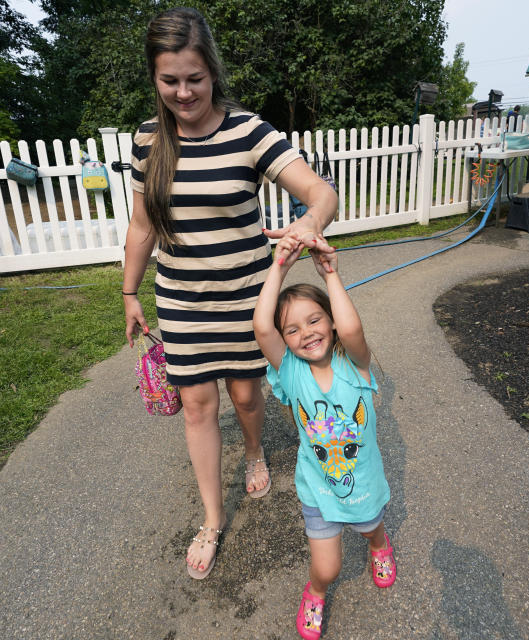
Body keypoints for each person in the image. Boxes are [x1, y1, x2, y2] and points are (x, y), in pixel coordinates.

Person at [122, 6, 338, 581]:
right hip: (183, 304)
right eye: (170, 80)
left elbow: (320, 190)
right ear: (155, 78)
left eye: (194, 78)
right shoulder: (148, 139)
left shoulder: (248, 131)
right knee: (198, 406)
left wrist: (309, 221)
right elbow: (142, 226)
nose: (183, 92)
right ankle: (213, 519)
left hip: (247, 302)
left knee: (246, 399)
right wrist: (129, 292)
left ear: (212, 72)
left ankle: (254, 450)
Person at [254, 235, 395, 640]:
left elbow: (352, 327)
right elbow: (262, 327)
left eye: (315, 320)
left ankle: (378, 546)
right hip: (317, 487)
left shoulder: (356, 365)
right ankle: (315, 592)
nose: (306, 333)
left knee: (372, 527)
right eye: (293, 330)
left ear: (331, 321)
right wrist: (278, 266)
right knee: (327, 568)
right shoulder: (291, 371)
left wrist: (329, 273)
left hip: (362, 482)